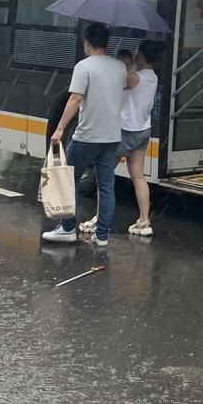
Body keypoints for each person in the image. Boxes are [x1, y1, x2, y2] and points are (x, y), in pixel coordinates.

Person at [42, 22, 128, 247]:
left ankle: (68, 228)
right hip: (111, 137)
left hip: (87, 135)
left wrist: (60, 129)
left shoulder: (84, 66)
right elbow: (127, 85)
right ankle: (102, 235)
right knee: (106, 186)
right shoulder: (120, 67)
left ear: (87, 43)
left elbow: (75, 99)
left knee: (69, 180)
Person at [80, 41, 162, 238]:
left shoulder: (134, 78)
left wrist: (120, 64)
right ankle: (144, 221)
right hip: (143, 130)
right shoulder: (152, 77)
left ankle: (100, 219)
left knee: (104, 176)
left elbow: (116, 81)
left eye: (137, 54)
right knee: (138, 177)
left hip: (125, 131)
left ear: (141, 55)